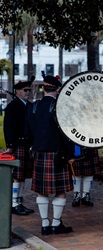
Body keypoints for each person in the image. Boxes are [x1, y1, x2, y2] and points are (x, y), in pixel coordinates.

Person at [26, 74, 74, 235]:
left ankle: (44, 224)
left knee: (42, 191)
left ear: (43, 88)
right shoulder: (60, 107)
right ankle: (56, 224)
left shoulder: (33, 106)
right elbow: (66, 134)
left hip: (39, 153)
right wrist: (71, 154)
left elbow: (29, 131)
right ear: (58, 89)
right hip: (57, 153)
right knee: (60, 190)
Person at [3, 77, 35, 216]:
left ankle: (18, 202)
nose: (28, 92)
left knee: (22, 177)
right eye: (25, 90)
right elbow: (8, 127)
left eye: (29, 90)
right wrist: (10, 145)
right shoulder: (13, 106)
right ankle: (14, 204)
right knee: (17, 176)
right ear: (17, 92)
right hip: (17, 145)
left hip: (27, 145)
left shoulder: (28, 105)